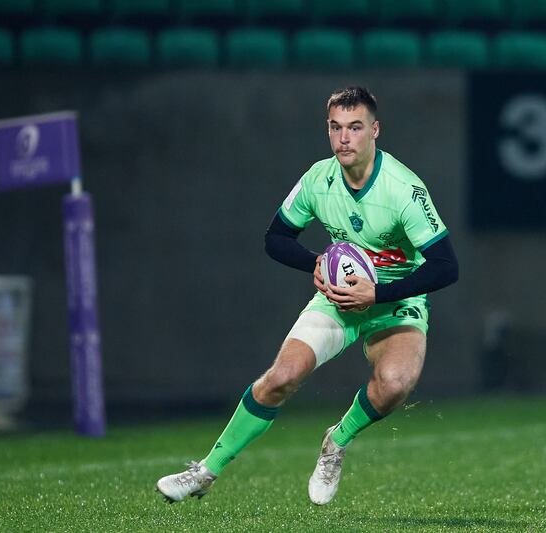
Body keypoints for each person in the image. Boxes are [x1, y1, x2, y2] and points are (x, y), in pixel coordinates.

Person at [156, 86, 459, 505]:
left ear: (375, 130)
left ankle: (337, 441)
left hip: (395, 301)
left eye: (355, 128)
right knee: (280, 379)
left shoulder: (404, 189)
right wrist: (314, 263)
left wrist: (380, 293)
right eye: (335, 128)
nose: (344, 139)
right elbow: (276, 238)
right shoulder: (319, 179)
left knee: (394, 384)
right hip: (337, 299)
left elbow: (446, 265)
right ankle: (205, 472)